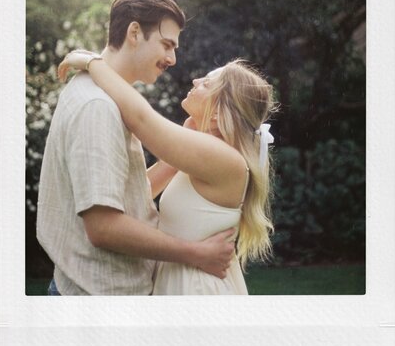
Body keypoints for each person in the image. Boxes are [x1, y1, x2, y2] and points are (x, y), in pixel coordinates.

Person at [37, 0, 236, 295]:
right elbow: (103, 227)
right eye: (167, 44)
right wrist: (196, 254)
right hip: (98, 301)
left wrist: (178, 157)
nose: (172, 58)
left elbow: (125, 194)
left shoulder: (102, 94)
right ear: (134, 32)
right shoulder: (98, 106)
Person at [58, 49, 276, 295]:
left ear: (217, 113)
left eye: (206, 83)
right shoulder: (209, 157)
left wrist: (93, 63)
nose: (195, 81)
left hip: (196, 289)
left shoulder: (224, 159)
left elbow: (141, 119)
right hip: (182, 279)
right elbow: (142, 191)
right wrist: (186, 142)